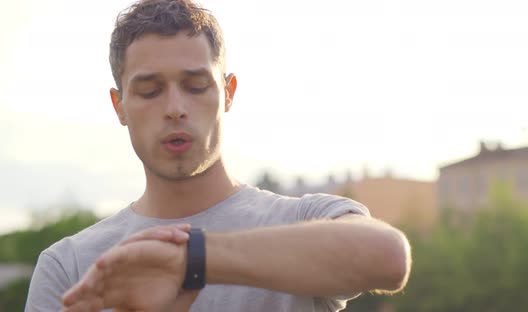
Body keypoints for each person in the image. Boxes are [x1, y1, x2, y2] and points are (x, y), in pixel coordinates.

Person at [25, 0, 412, 311]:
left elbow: (389, 257)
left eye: (195, 86)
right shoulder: (70, 266)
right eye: (149, 91)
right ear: (119, 105)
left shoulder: (300, 219)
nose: (175, 107)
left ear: (228, 92)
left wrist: (191, 260)